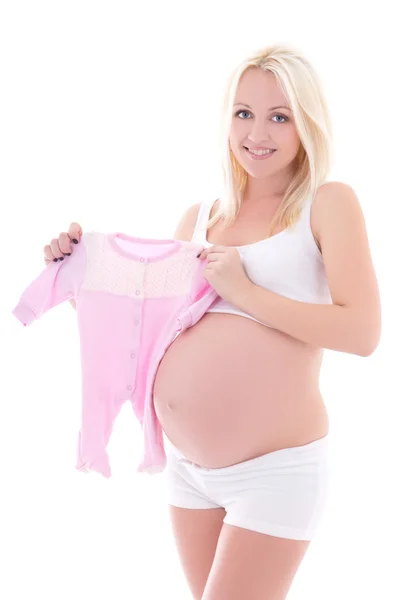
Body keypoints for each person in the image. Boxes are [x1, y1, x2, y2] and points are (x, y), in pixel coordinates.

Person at [42, 44, 381, 600]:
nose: (258, 132)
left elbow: (362, 333)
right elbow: (148, 339)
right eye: (244, 113)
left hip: (276, 472)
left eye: (280, 115)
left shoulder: (327, 203)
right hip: (190, 473)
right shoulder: (200, 218)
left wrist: (244, 292)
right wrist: (75, 280)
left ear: (307, 124)